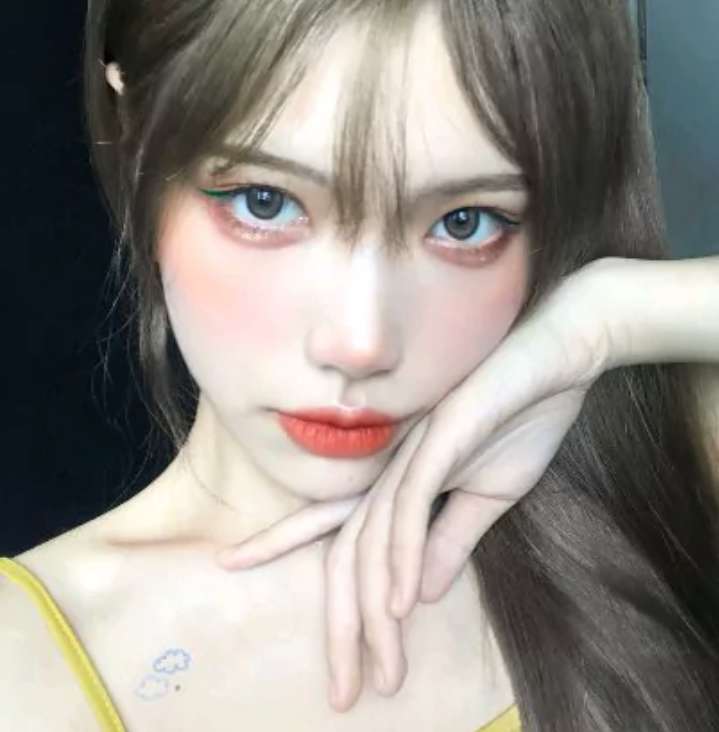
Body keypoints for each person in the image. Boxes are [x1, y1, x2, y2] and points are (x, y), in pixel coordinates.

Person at [1, 1, 717, 731]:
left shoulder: (663, 472)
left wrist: (605, 319)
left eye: (464, 221)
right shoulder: (18, 655)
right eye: (266, 202)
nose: (360, 342)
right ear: (135, 143)